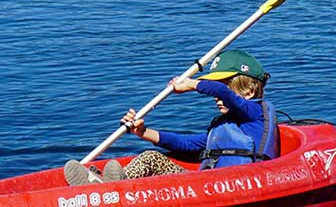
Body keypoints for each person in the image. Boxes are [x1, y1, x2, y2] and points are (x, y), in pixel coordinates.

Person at [64, 49, 278, 186]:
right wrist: (142, 132)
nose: (216, 98)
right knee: (150, 156)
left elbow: (223, 93)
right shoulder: (224, 125)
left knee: (150, 159)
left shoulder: (255, 114)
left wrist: (190, 85)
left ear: (248, 91)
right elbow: (187, 143)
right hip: (207, 184)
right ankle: (107, 187)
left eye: (223, 85)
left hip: (235, 186)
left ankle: (109, 189)